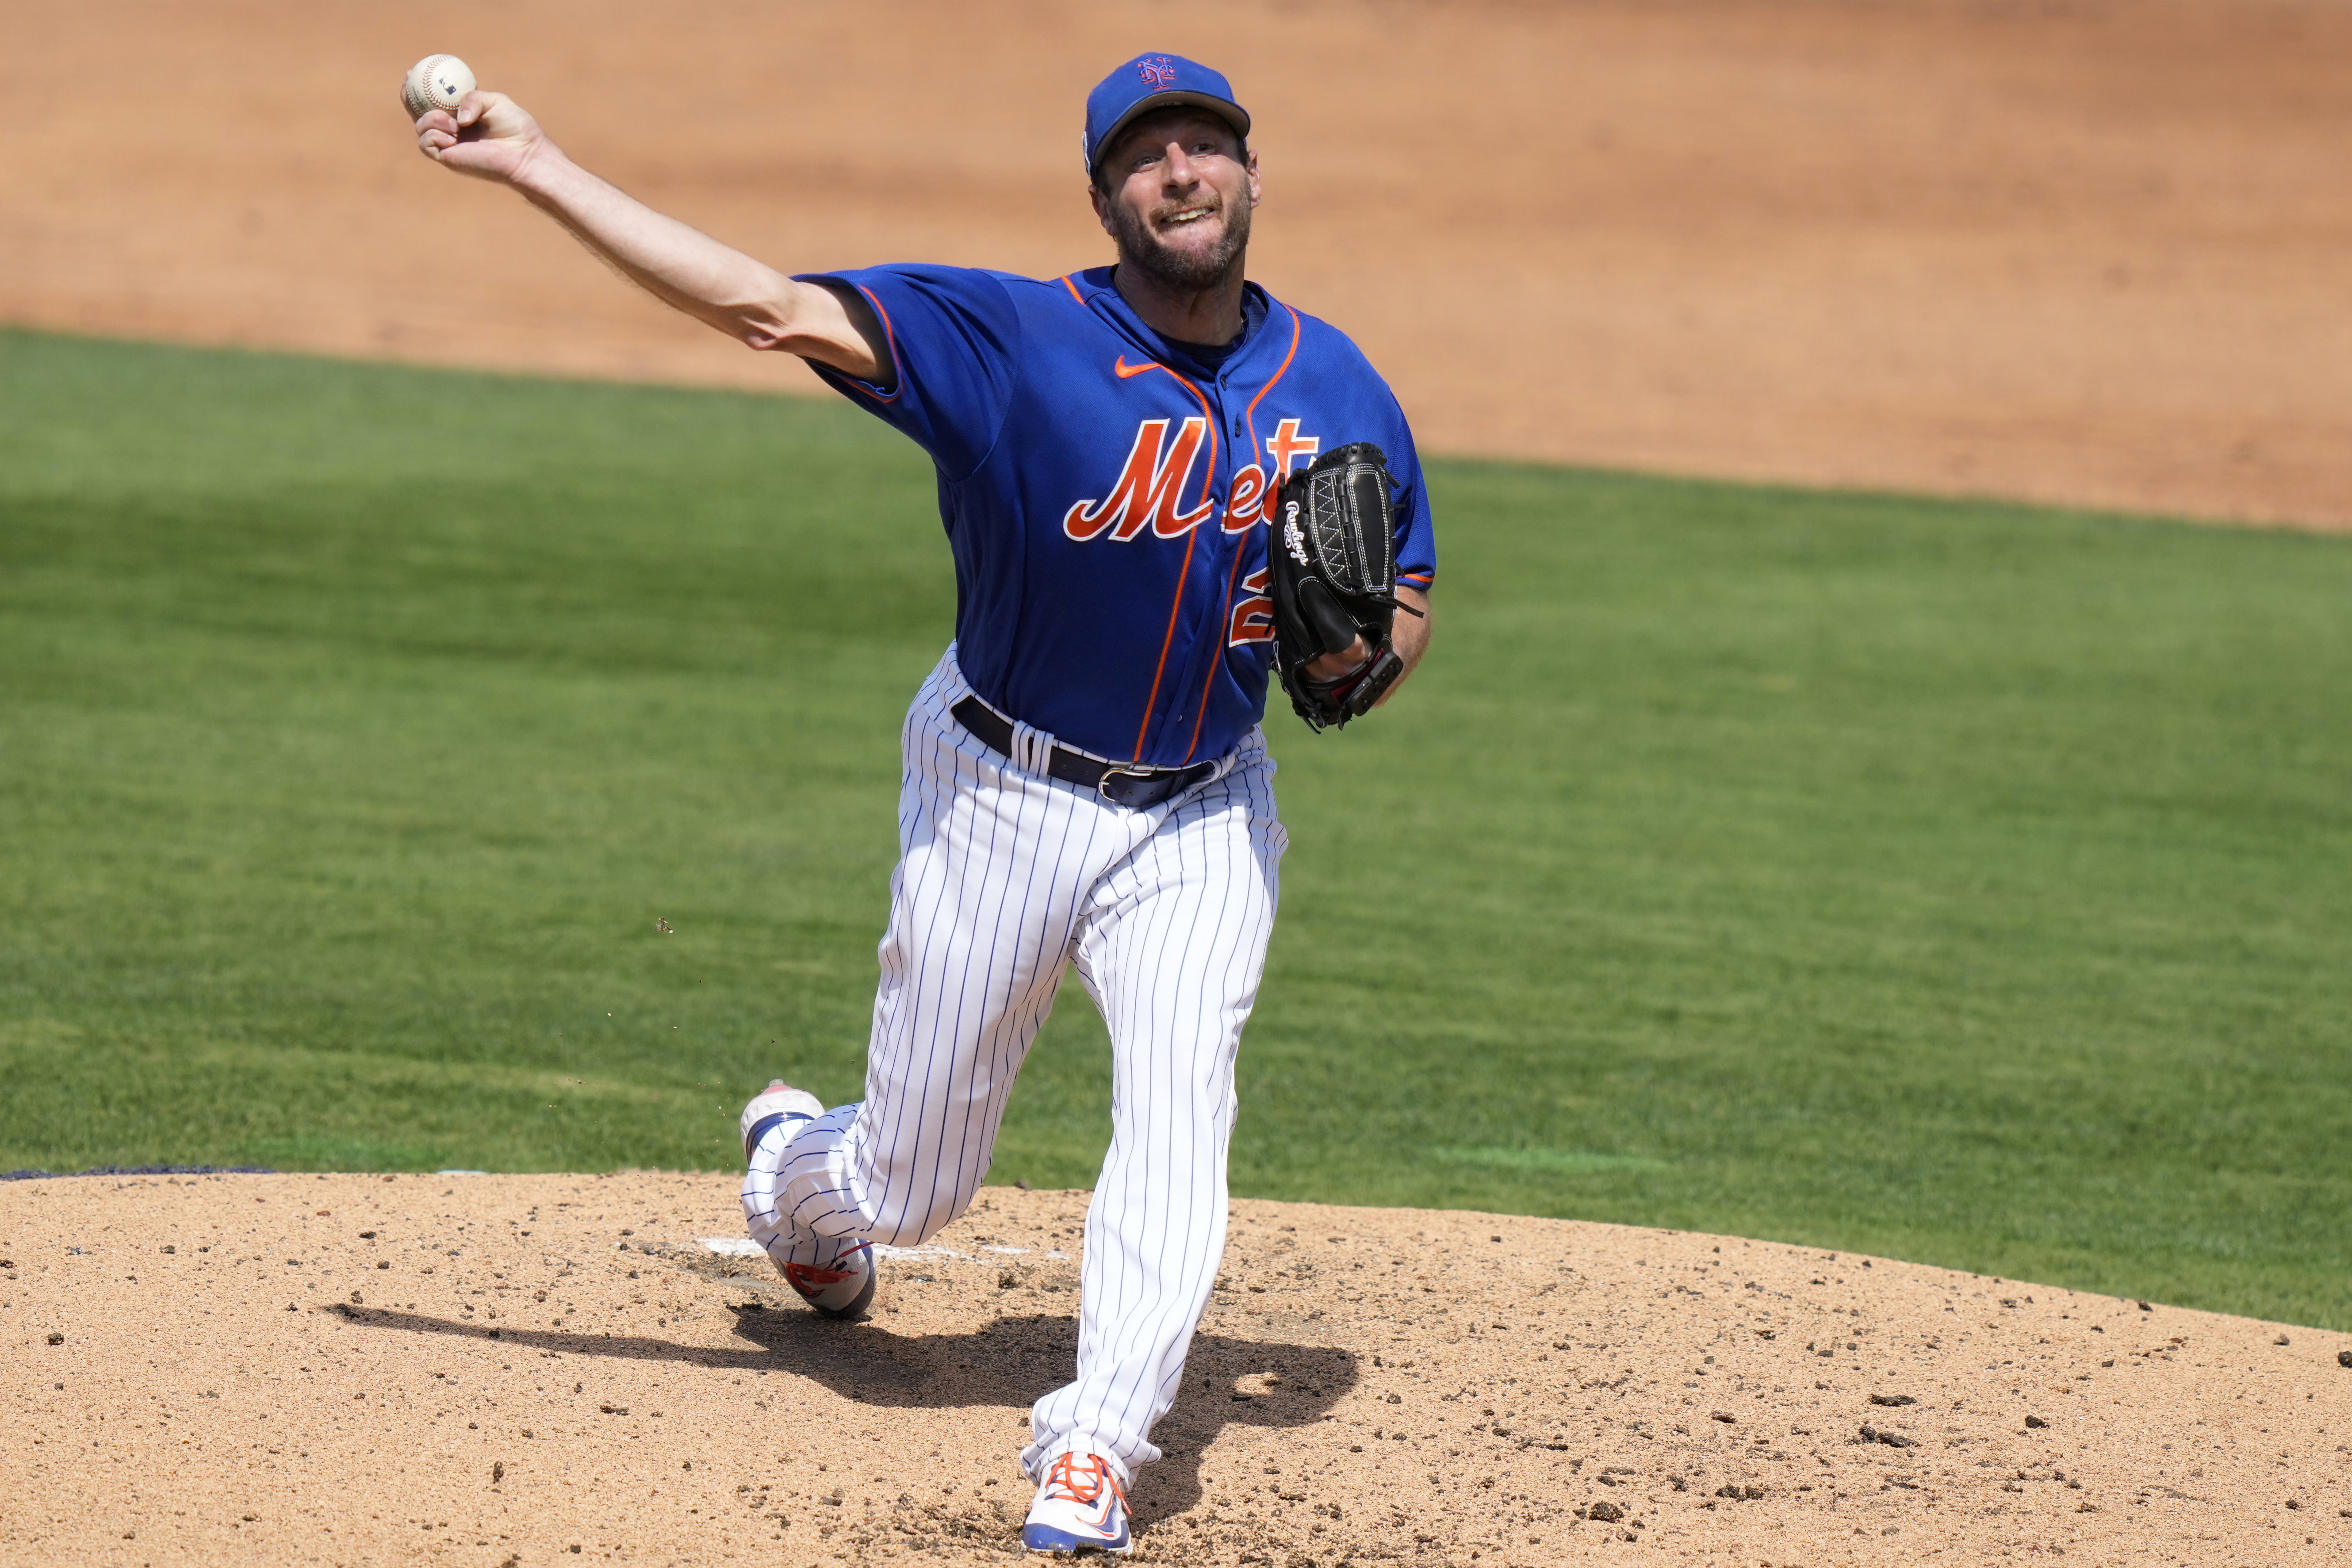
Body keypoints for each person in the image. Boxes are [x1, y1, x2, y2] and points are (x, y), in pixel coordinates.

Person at [410, 50, 1435, 1554]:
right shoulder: (1010, 339)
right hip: (1000, 789)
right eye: (1146, 157)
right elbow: (767, 306)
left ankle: (1096, 1446)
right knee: (912, 1179)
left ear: (1250, 173)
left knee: (1180, 1106)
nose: (1181, 174)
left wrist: (1360, 662)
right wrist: (542, 166)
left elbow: (1400, 594)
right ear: (1105, 198)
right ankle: (794, 1180)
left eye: (1205, 145)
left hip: (1208, 811)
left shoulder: (1338, 383)